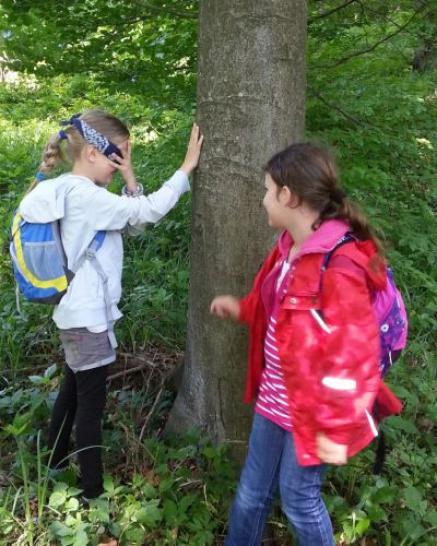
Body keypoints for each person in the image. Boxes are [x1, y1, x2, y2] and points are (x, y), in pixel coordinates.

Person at [210, 143, 402, 546]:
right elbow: (282, 309)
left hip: (315, 412)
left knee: (298, 498)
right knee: (251, 492)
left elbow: (355, 357)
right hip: (276, 398)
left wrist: (334, 427)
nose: (263, 199)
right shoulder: (289, 247)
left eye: (267, 190)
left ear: (288, 195)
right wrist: (243, 309)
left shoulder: (339, 265)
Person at [18, 110, 203, 500]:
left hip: (76, 316)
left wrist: (130, 173)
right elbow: (147, 211)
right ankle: (91, 493)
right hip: (87, 319)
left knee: (72, 388)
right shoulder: (86, 198)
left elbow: (132, 225)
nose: (118, 167)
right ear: (90, 154)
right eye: (114, 158)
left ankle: (52, 461)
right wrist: (185, 170)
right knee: (90, 407)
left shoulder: (75, 191)